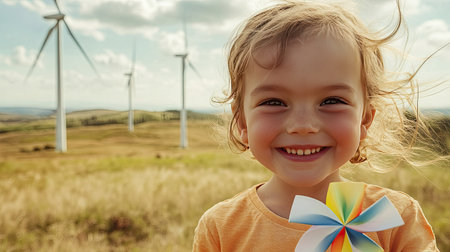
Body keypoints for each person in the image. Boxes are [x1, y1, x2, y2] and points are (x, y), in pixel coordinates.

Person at [193, 0, 440, 251]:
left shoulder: (394, 219)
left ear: (365, 118)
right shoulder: (221, 227)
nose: (303, 126)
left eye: (332, 101)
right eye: (274, 102)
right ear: (242, 121)